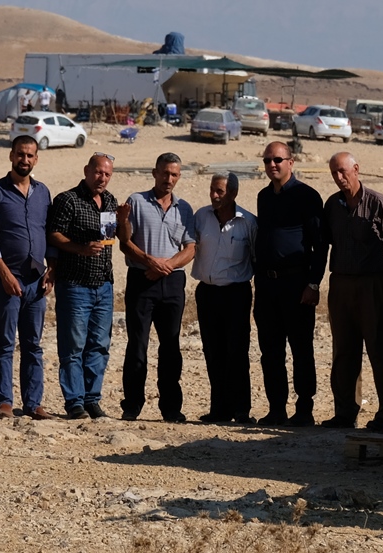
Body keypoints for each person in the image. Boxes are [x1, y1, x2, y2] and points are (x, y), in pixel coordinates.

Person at [320, 152, 383, 430]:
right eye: (334, 173)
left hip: (373, 284)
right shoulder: (332, 205)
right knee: (344, 350)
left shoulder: (378, 203)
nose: (339, 178)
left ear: (356, 169)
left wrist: (382, 275)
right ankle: (345, 412)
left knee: (380, 348)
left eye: (343, 171)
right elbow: (326, 243)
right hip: (341, 284)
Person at [116, 152, 196, 422]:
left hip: (172, 282)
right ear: (154, 173)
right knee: (137, 344)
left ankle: (171, 408)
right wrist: (150, 261)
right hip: (142, 279)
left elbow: (191, 247)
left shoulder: (184, 208)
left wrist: (168, 266)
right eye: (165, 173)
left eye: (174, 174)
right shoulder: (136, 202)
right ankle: (132, 405)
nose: (169, 179)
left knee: (171, 346)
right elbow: (125, 242)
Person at [254, 140, 326, 426]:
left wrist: (314, 283)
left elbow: (320, 245)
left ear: (291, 162)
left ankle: (304, 409)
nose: (273, 165)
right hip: (267, 286)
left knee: (301, 348)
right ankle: (276, 408)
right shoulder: (263, 196)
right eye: (268, 160)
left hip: (296, 284)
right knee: (270, 350)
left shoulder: (307, 196)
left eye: (278, 160)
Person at [0, 135, 54, 419]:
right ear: (11, 156)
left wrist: (53, 270)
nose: (25, 160)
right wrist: (3, 274)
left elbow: (48, 233)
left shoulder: (43, 192)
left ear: (36, 159)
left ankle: (34, 403)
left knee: (33, 344)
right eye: (20, 154)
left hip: (37, 281)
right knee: (4, 342)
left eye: (30, 155)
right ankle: (3, 402)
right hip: (6, 281)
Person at [46, 152, 118, 420]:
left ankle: (92, 399)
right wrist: (80, 249)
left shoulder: (110, 201)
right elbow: (53, 235)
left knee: (99, 345)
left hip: (103, 284)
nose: (102, 178)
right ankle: (74, 401)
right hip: (75, 284)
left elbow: (112, 237)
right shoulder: (68, 200)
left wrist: (124, 219)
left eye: (107, 174)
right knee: (73, 346)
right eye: (98, 172)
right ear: (87, 170)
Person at [191, 172, 258, 424]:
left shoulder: (248, 222)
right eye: (212, 189)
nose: (214, 195)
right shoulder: (201, 217)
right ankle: (219, 409)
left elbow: (256, 257)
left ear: (233, 194)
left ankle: (241, 410)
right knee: (213, 351)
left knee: (237, 351)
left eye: (220, 191)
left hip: (236, 294)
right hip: (207, 293)